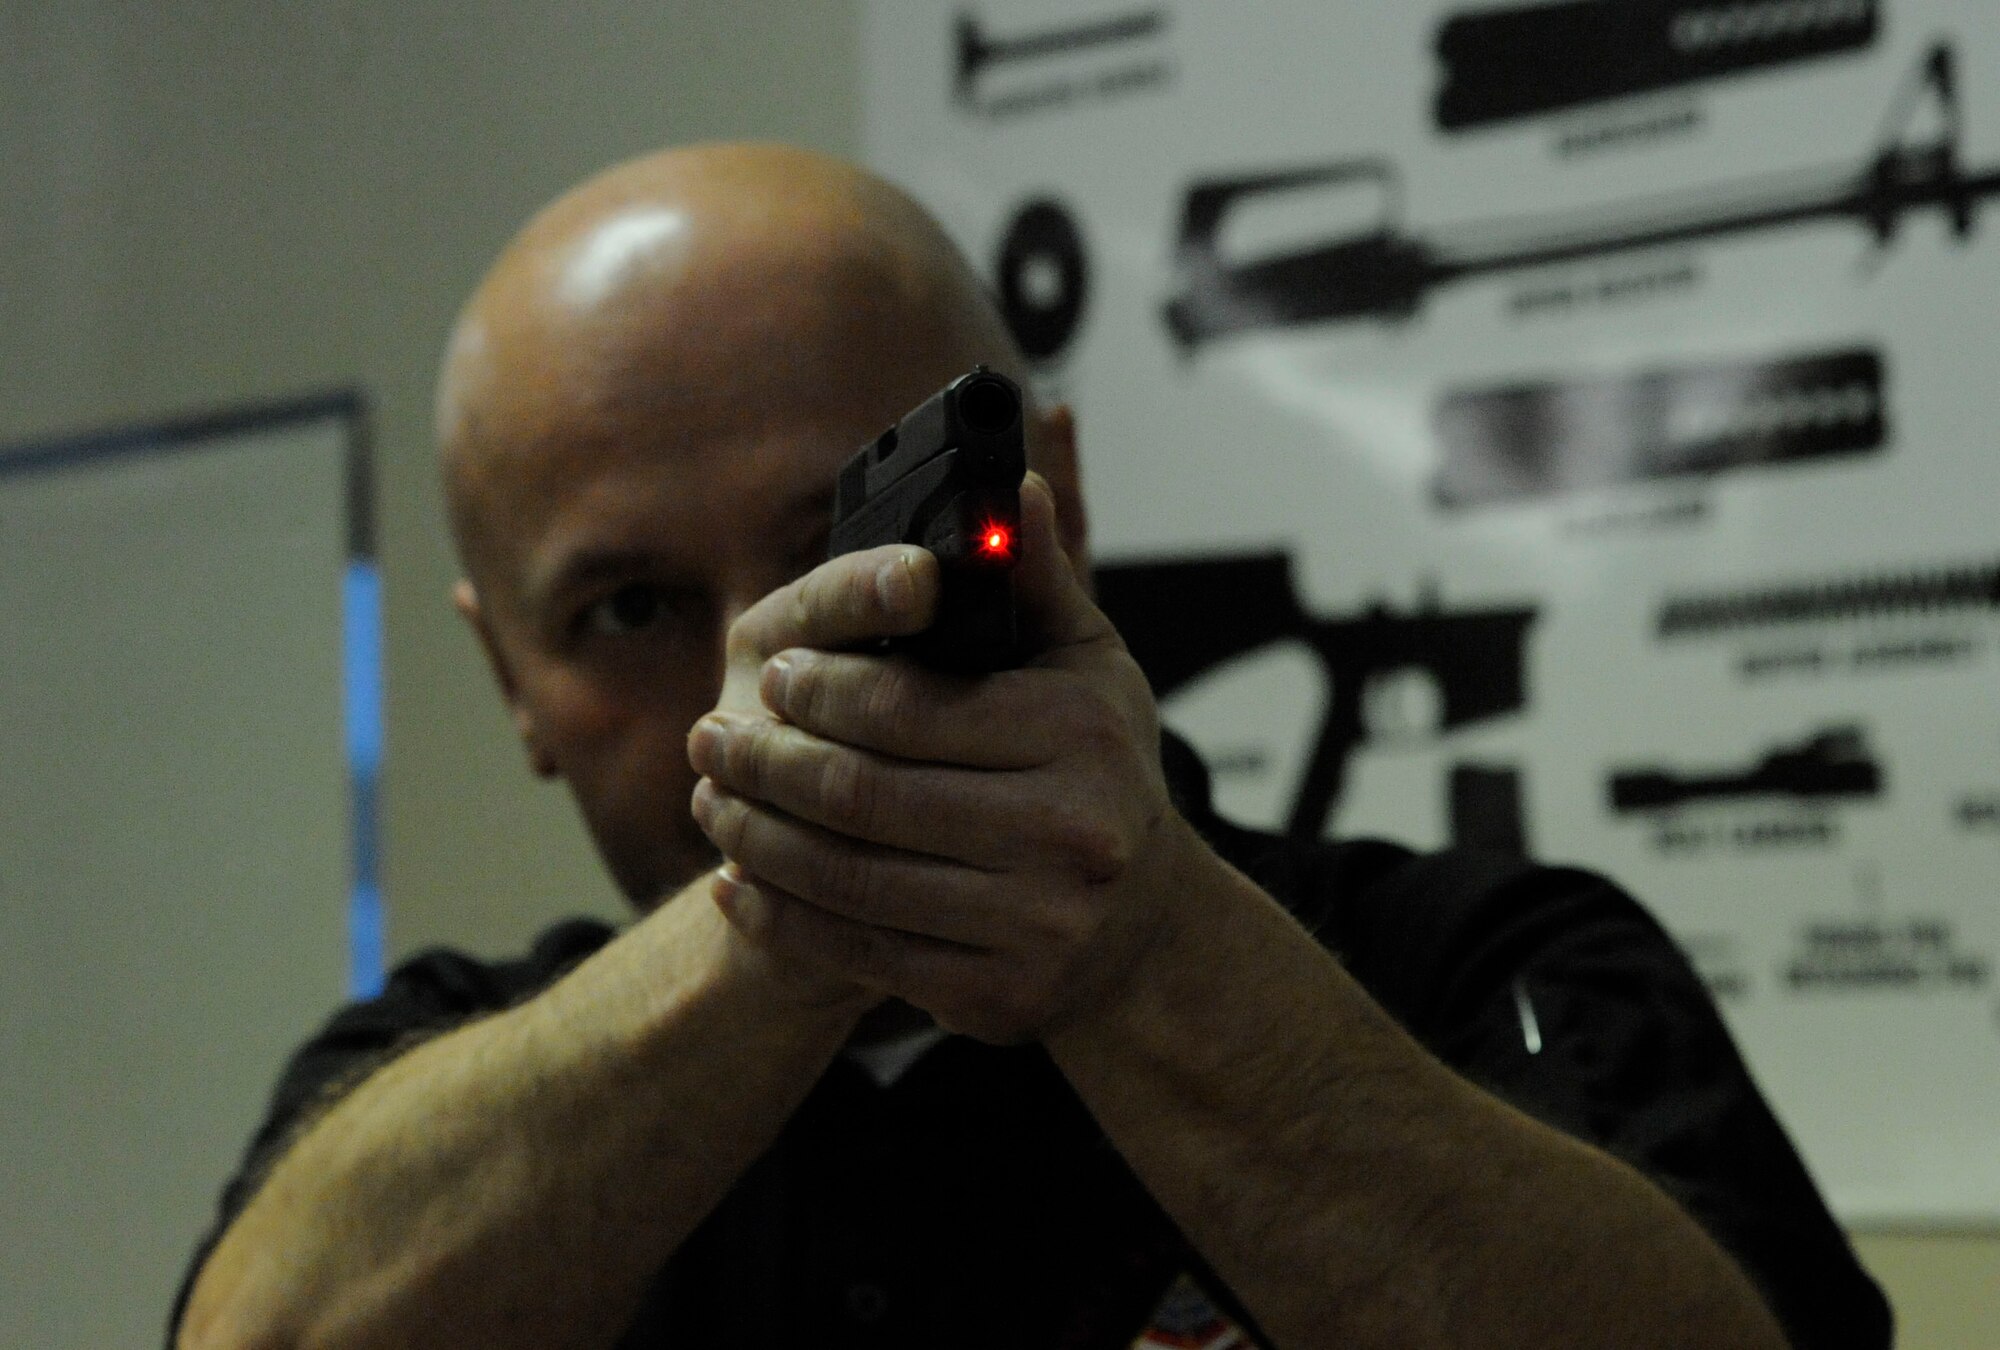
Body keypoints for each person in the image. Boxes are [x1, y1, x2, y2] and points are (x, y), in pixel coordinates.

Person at [171, 143, 1890, 1350]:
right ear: (510, 683)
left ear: (1047, 493)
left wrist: (1148, 956)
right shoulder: (437, 1066)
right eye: (625, 609)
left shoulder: (1482, 965)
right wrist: (791, 907)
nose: (748, 671)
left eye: (828, 542)